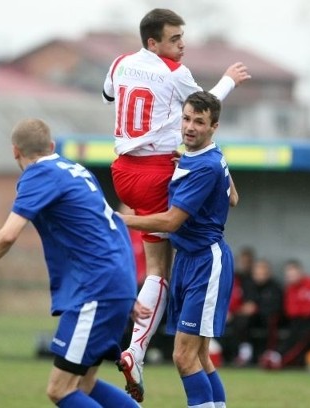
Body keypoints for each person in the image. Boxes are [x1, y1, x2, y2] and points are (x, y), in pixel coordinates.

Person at [102, 8, 250, 401]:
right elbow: (206, 102)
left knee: (193, 355)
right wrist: (229, 81)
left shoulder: (119, 63)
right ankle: (135, 348)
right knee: (157, 271)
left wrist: (121, 218)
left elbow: (109, 95)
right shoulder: (174, 74)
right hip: (155, 168)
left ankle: (136, 349)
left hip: (121, 168)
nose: (181, 45)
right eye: (174, 39)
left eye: (182, 38)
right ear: (154, 42)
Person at [0, 118, 147, 407]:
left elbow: (7, 235)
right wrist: (124, 290)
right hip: (111, 285)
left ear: (15, 152)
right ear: (52, 146)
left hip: (94, 292)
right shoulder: (76, 171)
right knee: (84, 384)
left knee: (60, 390)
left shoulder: (39, 175)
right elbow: (114, 226)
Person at [119, 91, 236, 408]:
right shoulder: (202, 158)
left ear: (214, 126)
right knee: (198, 356)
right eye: (186, 119)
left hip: (205, 262)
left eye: (199, 122)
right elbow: (234, 197)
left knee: (183, 356)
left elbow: (171, 222)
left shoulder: (205, 166)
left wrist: (118, 219)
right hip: (187, 261)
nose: (190, 127)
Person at [226, 258, 283, 367]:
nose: (260, 276)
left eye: (263, 273)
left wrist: (256, 308)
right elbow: (246, 303)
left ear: (268, 273)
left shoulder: (275, 287)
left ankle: (269, 353)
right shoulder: (248, 285)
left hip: (268, 317)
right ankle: (244, 351)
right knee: (240, 319)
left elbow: (275, 306)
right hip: (252, 318)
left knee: (272, 319)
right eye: (257, 273)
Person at [267, 258, 310, 370]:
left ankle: (281, 359)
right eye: (289, 275)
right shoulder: (289, 289)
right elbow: (290, 310)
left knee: (302, 338)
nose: (291, 277)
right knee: (291, 336)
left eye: (293, 274)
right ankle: (277, 355)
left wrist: (301, 308)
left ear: (300, 272)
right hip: (295, 321)